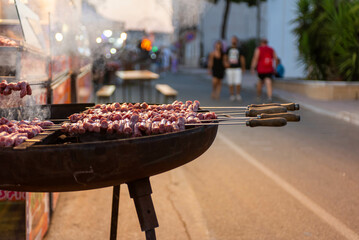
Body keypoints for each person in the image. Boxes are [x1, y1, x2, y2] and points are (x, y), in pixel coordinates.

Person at [224, 36, 246, 101]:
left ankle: (238, 94)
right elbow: (225, 57)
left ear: (237, 41)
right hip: (230, 68)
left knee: (238, 82)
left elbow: (242, 59)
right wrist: (225, 63)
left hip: (237, 68)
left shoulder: (240, 49)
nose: (234, 41)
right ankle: (232, 95)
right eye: (232, 40)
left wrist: (243, 67)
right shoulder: (228, 49)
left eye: (235, 40)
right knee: (230, 82)